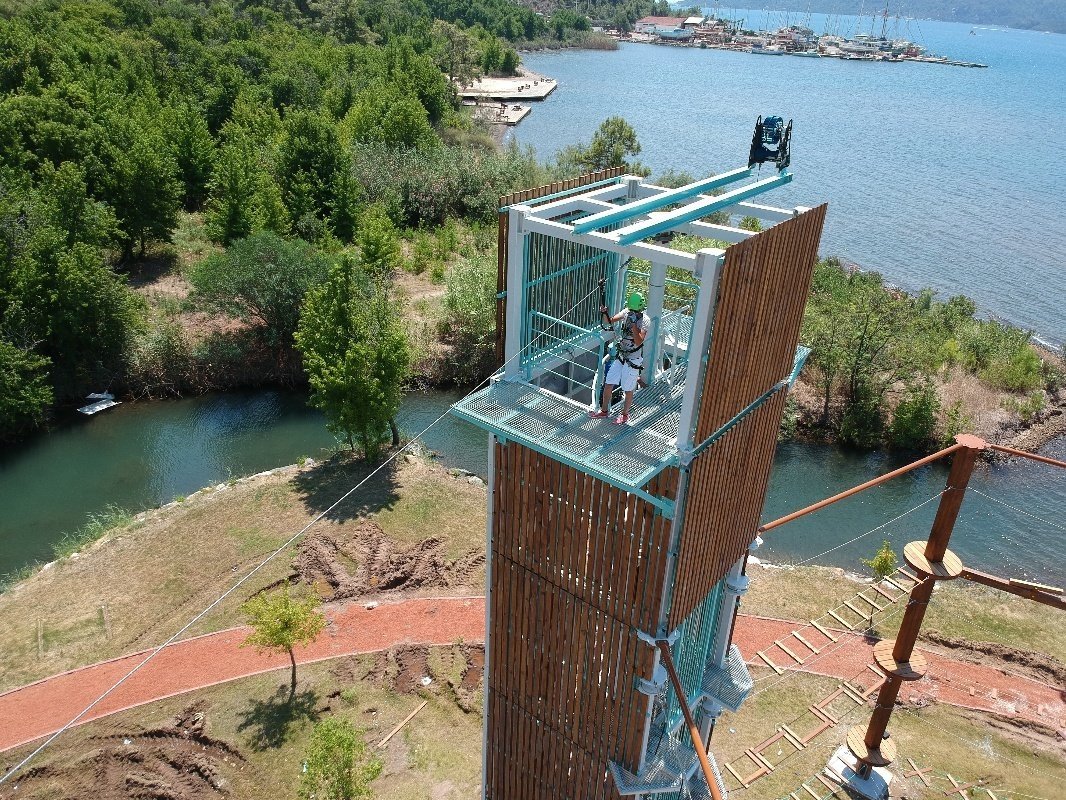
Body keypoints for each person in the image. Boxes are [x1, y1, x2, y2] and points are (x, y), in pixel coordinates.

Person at [589, 291, 649, 425]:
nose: (633, 313)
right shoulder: (626, 312)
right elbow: (608, 321)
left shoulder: (645, 320)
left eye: (635, 311)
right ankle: (604, 411)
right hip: (621, 356)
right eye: (631, 310)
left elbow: (639, 341)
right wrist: (604, 313)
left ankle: (625, 415)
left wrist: (634, 326)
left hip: (633, 360)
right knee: (608, 383)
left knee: (628, 389)